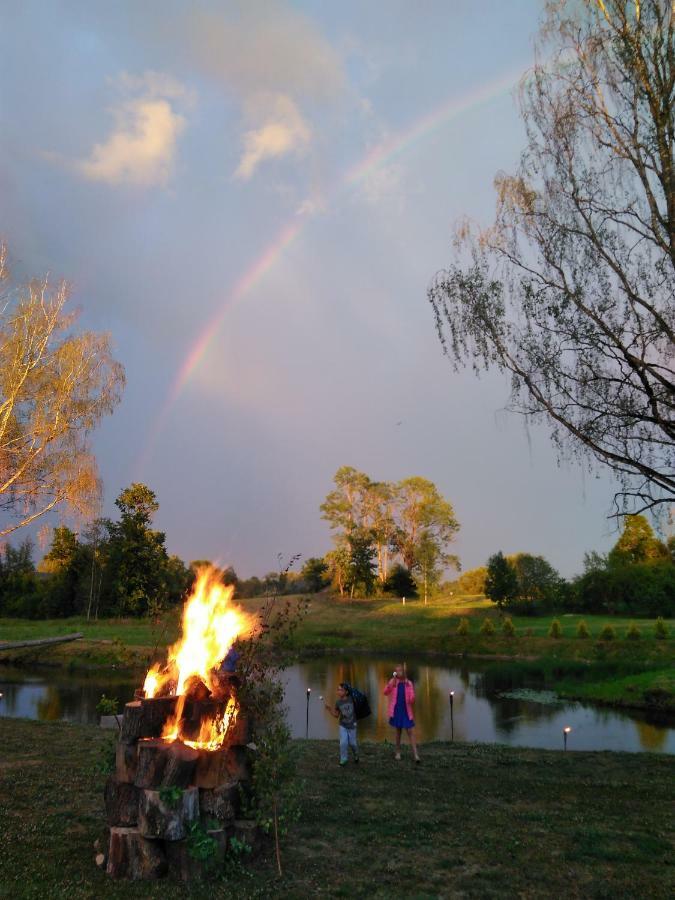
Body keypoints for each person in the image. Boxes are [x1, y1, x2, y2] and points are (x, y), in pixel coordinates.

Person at [384, 663, 420, 763]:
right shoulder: (393, 682)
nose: (398, 672)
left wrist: (412, 697)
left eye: (400, 671)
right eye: (397, 671)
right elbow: (385, 692)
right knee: (398, 732)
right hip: (396, 710)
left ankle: (416, 755)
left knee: (410, 732)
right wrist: (391, 683)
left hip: (406, 711)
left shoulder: (409, 683)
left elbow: (412, 699)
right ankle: (398, 752)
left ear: (403, 672)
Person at [325, 682, 359, 766]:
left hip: (352, 725)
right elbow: (336, 715)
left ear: (346, 692)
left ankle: (356, 754)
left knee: (353, 743)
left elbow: (358, 704)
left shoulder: (352, 699)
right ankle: (343, 759)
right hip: (343, 725)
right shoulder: (338, 703)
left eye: (341, 690)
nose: (339, 691)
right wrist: (329, 709)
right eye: (338, 690)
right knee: (343, 743)